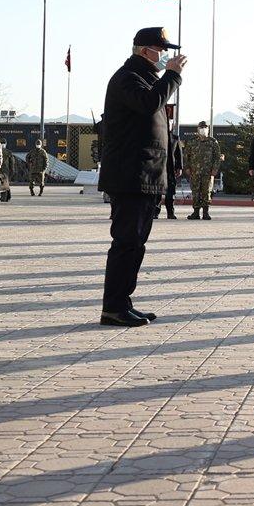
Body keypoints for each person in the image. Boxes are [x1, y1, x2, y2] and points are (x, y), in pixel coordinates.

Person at [99, 26, 186, 327]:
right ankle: (113, 307)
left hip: (147, 176)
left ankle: (123, 302)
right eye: (160, 50)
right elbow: (149, 103)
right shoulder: (127, 78)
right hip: (130, 176)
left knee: (136, 244)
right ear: (143, 50)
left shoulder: (147, 79)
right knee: (126, 243)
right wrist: (172, 76)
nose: (164, 56)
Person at [185, 121, 221, 220]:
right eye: (201, 127)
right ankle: (196, 213)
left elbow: (217, 157)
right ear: (197, 129)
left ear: (208, 129)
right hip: (195, 172)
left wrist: (215, 169)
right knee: (195, 191)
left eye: (205, 127)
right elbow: (186, 156)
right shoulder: (192, 141)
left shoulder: (213, 142)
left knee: (207, 191)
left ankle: (206, 212)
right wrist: (187, 168)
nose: (203, 129)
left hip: (208, 172)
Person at [159, 129, 183, 218]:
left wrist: (179, 167)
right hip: (159, 167)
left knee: (170, 191)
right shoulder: (158, 135)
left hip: (171, 168)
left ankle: (170, 212)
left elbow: (179, 154)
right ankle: (155, 212)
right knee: (157, 191)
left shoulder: (175, 138)